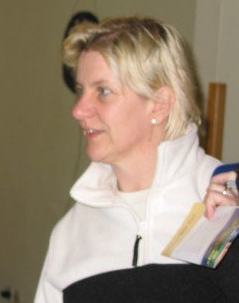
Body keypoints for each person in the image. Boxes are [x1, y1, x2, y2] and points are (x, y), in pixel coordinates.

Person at [35, 16, 221, 303]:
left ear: (159, 104)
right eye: (81, 91)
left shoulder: (225, 208)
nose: (79, 110)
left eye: (103, 91)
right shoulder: (71, 232)